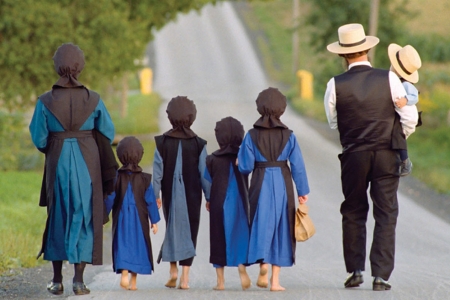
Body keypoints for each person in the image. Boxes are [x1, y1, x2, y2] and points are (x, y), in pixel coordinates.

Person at [324, 23, 418, 291]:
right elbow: (408, 116)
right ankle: (381, 276)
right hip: (386, 153)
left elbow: (333, 122)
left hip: (353, 154)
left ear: (343, 54)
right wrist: (396, 137)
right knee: (386, 211)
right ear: (367, 48)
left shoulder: (334, 84)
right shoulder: (388, 79)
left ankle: (355, 270)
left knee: (353, 209)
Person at [29, 43, 116, 296]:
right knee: (85, 216)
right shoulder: (94, 99)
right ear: (81, 66)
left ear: (56, 65)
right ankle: (79, 281)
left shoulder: (45, 101)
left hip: (57, 160)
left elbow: (39, 138)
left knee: (58, 215)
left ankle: (57, 280)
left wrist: (56, 143)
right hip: (87, 160)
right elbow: (107, 133)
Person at [237, 87, 310, 291]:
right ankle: (275, 282)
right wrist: (302, 191)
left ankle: (263, 264)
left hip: (260, 182)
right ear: (282, 109)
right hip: (283, 183)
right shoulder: (289, 136)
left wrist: (238, 162)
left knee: (261, 223)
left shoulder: (251, 135)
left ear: (260, 108)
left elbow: (246, 166)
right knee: (282, 227)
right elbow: (298, 165)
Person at [152, 96, 211, 289]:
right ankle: (185, 278)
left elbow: (157, 173)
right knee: (190, 229)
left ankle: (173, 270)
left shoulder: (162, 143)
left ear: (169, 116)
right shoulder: (199, 144)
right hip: (192, 194)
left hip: (169, 192)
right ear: (192, 116)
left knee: (172, 227)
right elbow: (205, 174)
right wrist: (209, 196)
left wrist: (156, 196)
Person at [105, 136, 160, 291]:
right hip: (140, 219)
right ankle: (133, 281)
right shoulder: (145, 179)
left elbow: (111, 197)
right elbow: (150, 201)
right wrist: (153, 221)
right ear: (140, 155)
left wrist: (104, 214)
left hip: (122, 217)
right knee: (138, 245)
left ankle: (124, 273)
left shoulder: (116, 177)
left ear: (120, 155)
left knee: (123, 243)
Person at [204, 117, 251, 291]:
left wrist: (208, 199)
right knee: (240, 233)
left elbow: (207, 181)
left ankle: (220, 282)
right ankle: (241, 266)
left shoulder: (212, 159)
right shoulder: (243, 157)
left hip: (218, 201)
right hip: (240, 201)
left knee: (218, 236)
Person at [388, 43, 422, 176]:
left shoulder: (406, 84)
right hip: (401, 117)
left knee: (398, 136)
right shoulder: (398, 83)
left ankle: (405, 160)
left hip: (406, 119)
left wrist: (405, 100)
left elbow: (415, 97)